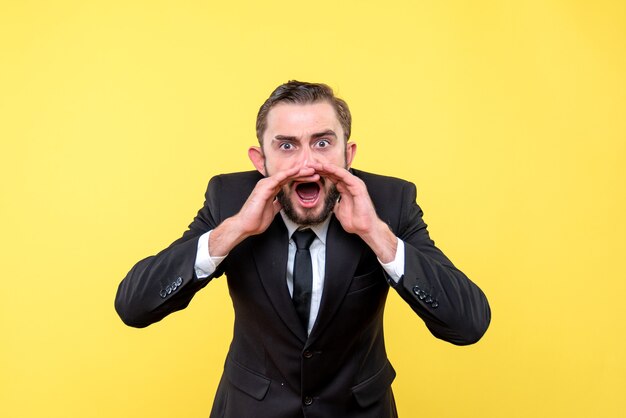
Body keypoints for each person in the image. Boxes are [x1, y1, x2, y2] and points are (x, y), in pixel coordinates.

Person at [115, 80, 491, 418]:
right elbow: (134, 307)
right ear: (260, 161)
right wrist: (231, 233)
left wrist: (378, 235)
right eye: (287, 146)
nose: (307, 164)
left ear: (349, 154)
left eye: (323, 143)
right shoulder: (229, 199)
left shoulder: (390, 202)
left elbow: (468, 324)